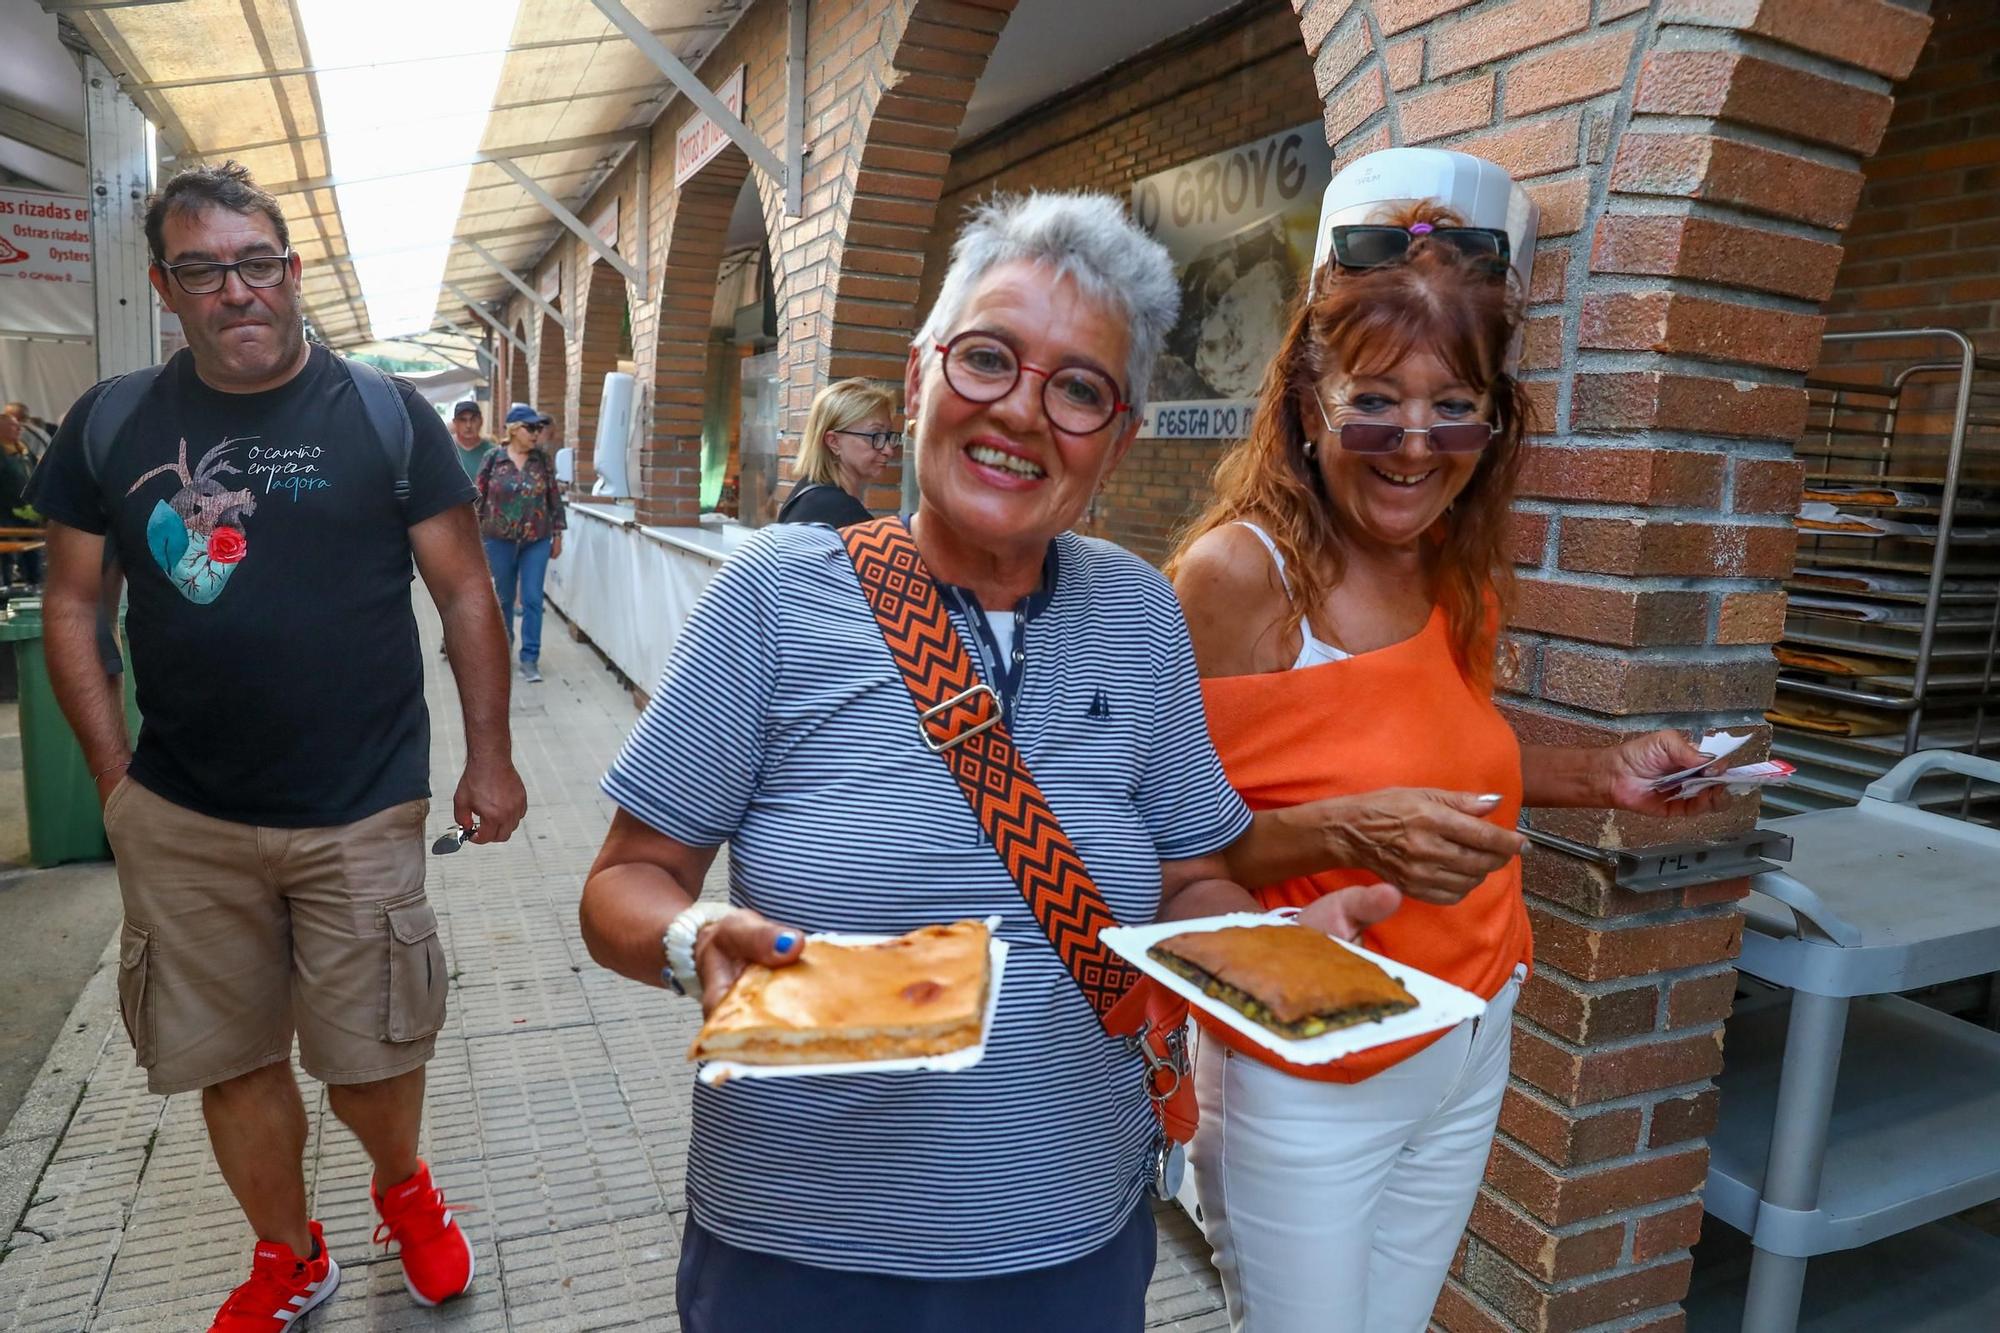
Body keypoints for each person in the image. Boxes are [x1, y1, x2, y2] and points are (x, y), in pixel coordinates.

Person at [578, 193, 1298, 1332]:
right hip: (797, 1250)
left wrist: (1276, 952)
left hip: (1067, 1239)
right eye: (986, 358)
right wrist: (688, 939)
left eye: (1078, 388)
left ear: (1118, 439)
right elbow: (621, 881)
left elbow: (1188, 873)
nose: (1019, 410)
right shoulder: (770, 598)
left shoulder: (1142, 615)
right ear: (918, 382)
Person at [1165, 162, 1727, 1333]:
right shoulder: (1238, 577)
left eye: (1453, 406)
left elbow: (1445, 746)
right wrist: (1338, 839)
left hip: (1472, 1029)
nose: (1413, 445)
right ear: (1306, 399)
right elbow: (1153, 839)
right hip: (1309, 1060)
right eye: (1374, 400)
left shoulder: (1444, 558)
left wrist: (1600, 775)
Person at [26, 160, 527, 1333]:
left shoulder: (381, 412)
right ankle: (289, 1252)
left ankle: (401, 1186)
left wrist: (489, 757)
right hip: (184, 813)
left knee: (370, 1053)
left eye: (256, 263)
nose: (235, 290)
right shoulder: (111, 423)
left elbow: (462, 593)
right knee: (228, 1059)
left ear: (292, 272)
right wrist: (114, 781)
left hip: (359, 806)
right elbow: (70, 604)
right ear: (164, 286)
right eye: (202, 269)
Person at [475, 403, 565, 685]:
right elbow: (478, 497)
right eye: (531, 428)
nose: (536, 433)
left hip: (536, 539)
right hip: (498, 540)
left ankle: (530, 658)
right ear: (514, 429)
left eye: (539, 428)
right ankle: (503, 652)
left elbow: (554, 499)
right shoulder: (493, 458)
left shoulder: (543, 461)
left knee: (532, 598)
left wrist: (558, 534)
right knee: (501, 599)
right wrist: (473, 538)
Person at [775, 377, 899, 527]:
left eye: (887, 436)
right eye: (875, 436)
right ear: (833, 441)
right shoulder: (842, 513)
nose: (888, 450)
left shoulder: (808, 493)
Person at [0, 410, 40, 586]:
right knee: (6, 560)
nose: (18, 429)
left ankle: (34, 586)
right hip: (5, 514)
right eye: (12, 425)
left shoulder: (24, 450)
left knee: (33, 555)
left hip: (29, 513)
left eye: (18, 425)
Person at [448, 398, 497, 481]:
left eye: (473, 420)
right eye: (463, 420)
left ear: (481, 421)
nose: (468, 425)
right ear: (455, 422)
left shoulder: (494, 453)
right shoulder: (446, 450)